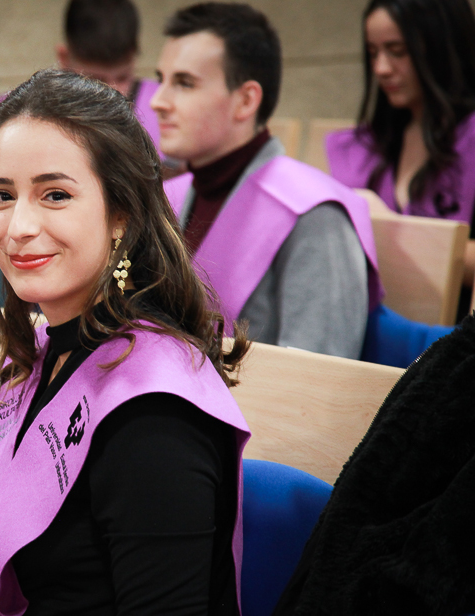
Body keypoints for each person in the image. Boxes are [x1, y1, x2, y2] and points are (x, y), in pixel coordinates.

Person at [0, 69, 251, 616]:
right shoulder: (39, 352)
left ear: (121, 215)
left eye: (54, 195)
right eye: (1, 195)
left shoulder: (156, 413)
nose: (18, 227)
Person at [153, 2, 384, 359]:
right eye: (161, 80)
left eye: (184, 83)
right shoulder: (164, 199)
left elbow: (318, 376)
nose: (158, 101)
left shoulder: (315, 215)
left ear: (246, 100)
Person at [326, 0, 475, 293]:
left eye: (398, 51)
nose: (381, 68)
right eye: (373, 53)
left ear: (443, 47)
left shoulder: (469, 136)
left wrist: (391, 233)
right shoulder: (363, 145)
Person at [57, 0, 160, 149]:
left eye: (122, 77)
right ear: (64, 58)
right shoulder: (32, 115)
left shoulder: (164, 107)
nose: (114, 92)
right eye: (96, 79)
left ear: (133, 59)